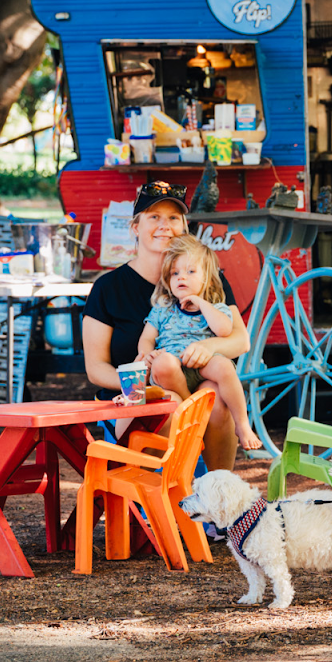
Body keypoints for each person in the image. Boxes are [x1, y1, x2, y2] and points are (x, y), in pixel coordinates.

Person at [82, 181, 252, 469]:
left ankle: (219, 489)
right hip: (137, 395)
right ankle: (161, 495)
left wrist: (208, 346)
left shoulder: (207, 278)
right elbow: (95, 368)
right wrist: (141, 381)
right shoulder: (108, 288)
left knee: (215, 398)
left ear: (184, 227)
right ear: (135, 227)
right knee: (167, 403)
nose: (165, 225)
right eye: (154, 217)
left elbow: (241, 340)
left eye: (173, 217)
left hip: (195, 381)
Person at [138, 235, 263, 451]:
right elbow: (147, 338)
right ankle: (192, 410)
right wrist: (147, 353)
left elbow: (224, 330)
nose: (181, 277)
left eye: (190, 271)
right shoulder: (163, 308)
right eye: (174, 273)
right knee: (162, 363)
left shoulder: (216, 307)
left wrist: (201, 303)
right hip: (172, 371)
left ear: (208, 279)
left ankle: (243, 424)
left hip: (203, 366)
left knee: (224, 366)